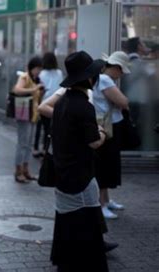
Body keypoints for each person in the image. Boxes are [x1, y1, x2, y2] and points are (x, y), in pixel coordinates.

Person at [50, 51, 109, 271]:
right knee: (88, 226)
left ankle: (65, 262)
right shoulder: (84, 106)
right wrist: (102, 132)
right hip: (82, 176)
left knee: (66, 223)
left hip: (62, 172)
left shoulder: (62, 102)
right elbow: (94, 142)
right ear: (89, 78)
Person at [93, 51, 131, 219]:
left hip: (109, 127)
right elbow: (123, 101)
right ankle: (101, 204)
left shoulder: (101, 78)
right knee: (105, 165)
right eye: (121, 70)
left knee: (107, 165)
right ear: (116, 67)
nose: (121, 74)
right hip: (108, 128)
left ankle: (106, 200)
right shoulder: (105, 80)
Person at [12, 56, 43, 183]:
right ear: (32, 67)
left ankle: (25, 169)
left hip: (33, 114)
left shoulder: (37, 78)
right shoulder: (25, 77)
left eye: (40, 69)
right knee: (22, 143)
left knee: (29, 144)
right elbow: (17, 90)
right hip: (24, 113)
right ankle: (18, 171)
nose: (38, 71)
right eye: (37, 68)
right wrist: (34, 89)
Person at [33, 52, 63, 157]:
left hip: (43, 103)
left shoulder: (41, 74)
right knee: (51, 129)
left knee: (40, 126)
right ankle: (46, 150)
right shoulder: (59, 73)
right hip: (56, 103)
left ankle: (36, 148)